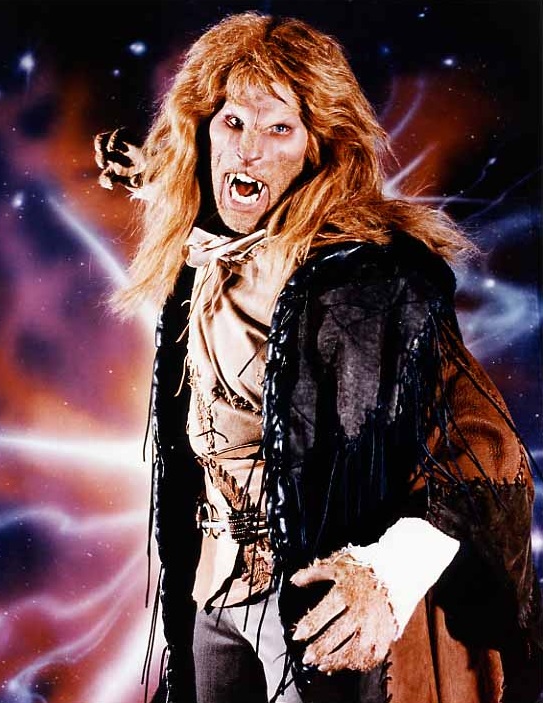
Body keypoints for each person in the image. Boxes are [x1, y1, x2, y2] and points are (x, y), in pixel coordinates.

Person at [94, 12, 542, 703]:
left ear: (317, 150)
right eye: (233, 123)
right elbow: (198, 183)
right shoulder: (204, 235)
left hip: (307, 601)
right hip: (211, 590)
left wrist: (386, 574)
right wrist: (152, 170)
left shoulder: (370, 281)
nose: (248, 151)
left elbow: (486, 448)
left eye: (279, 129)